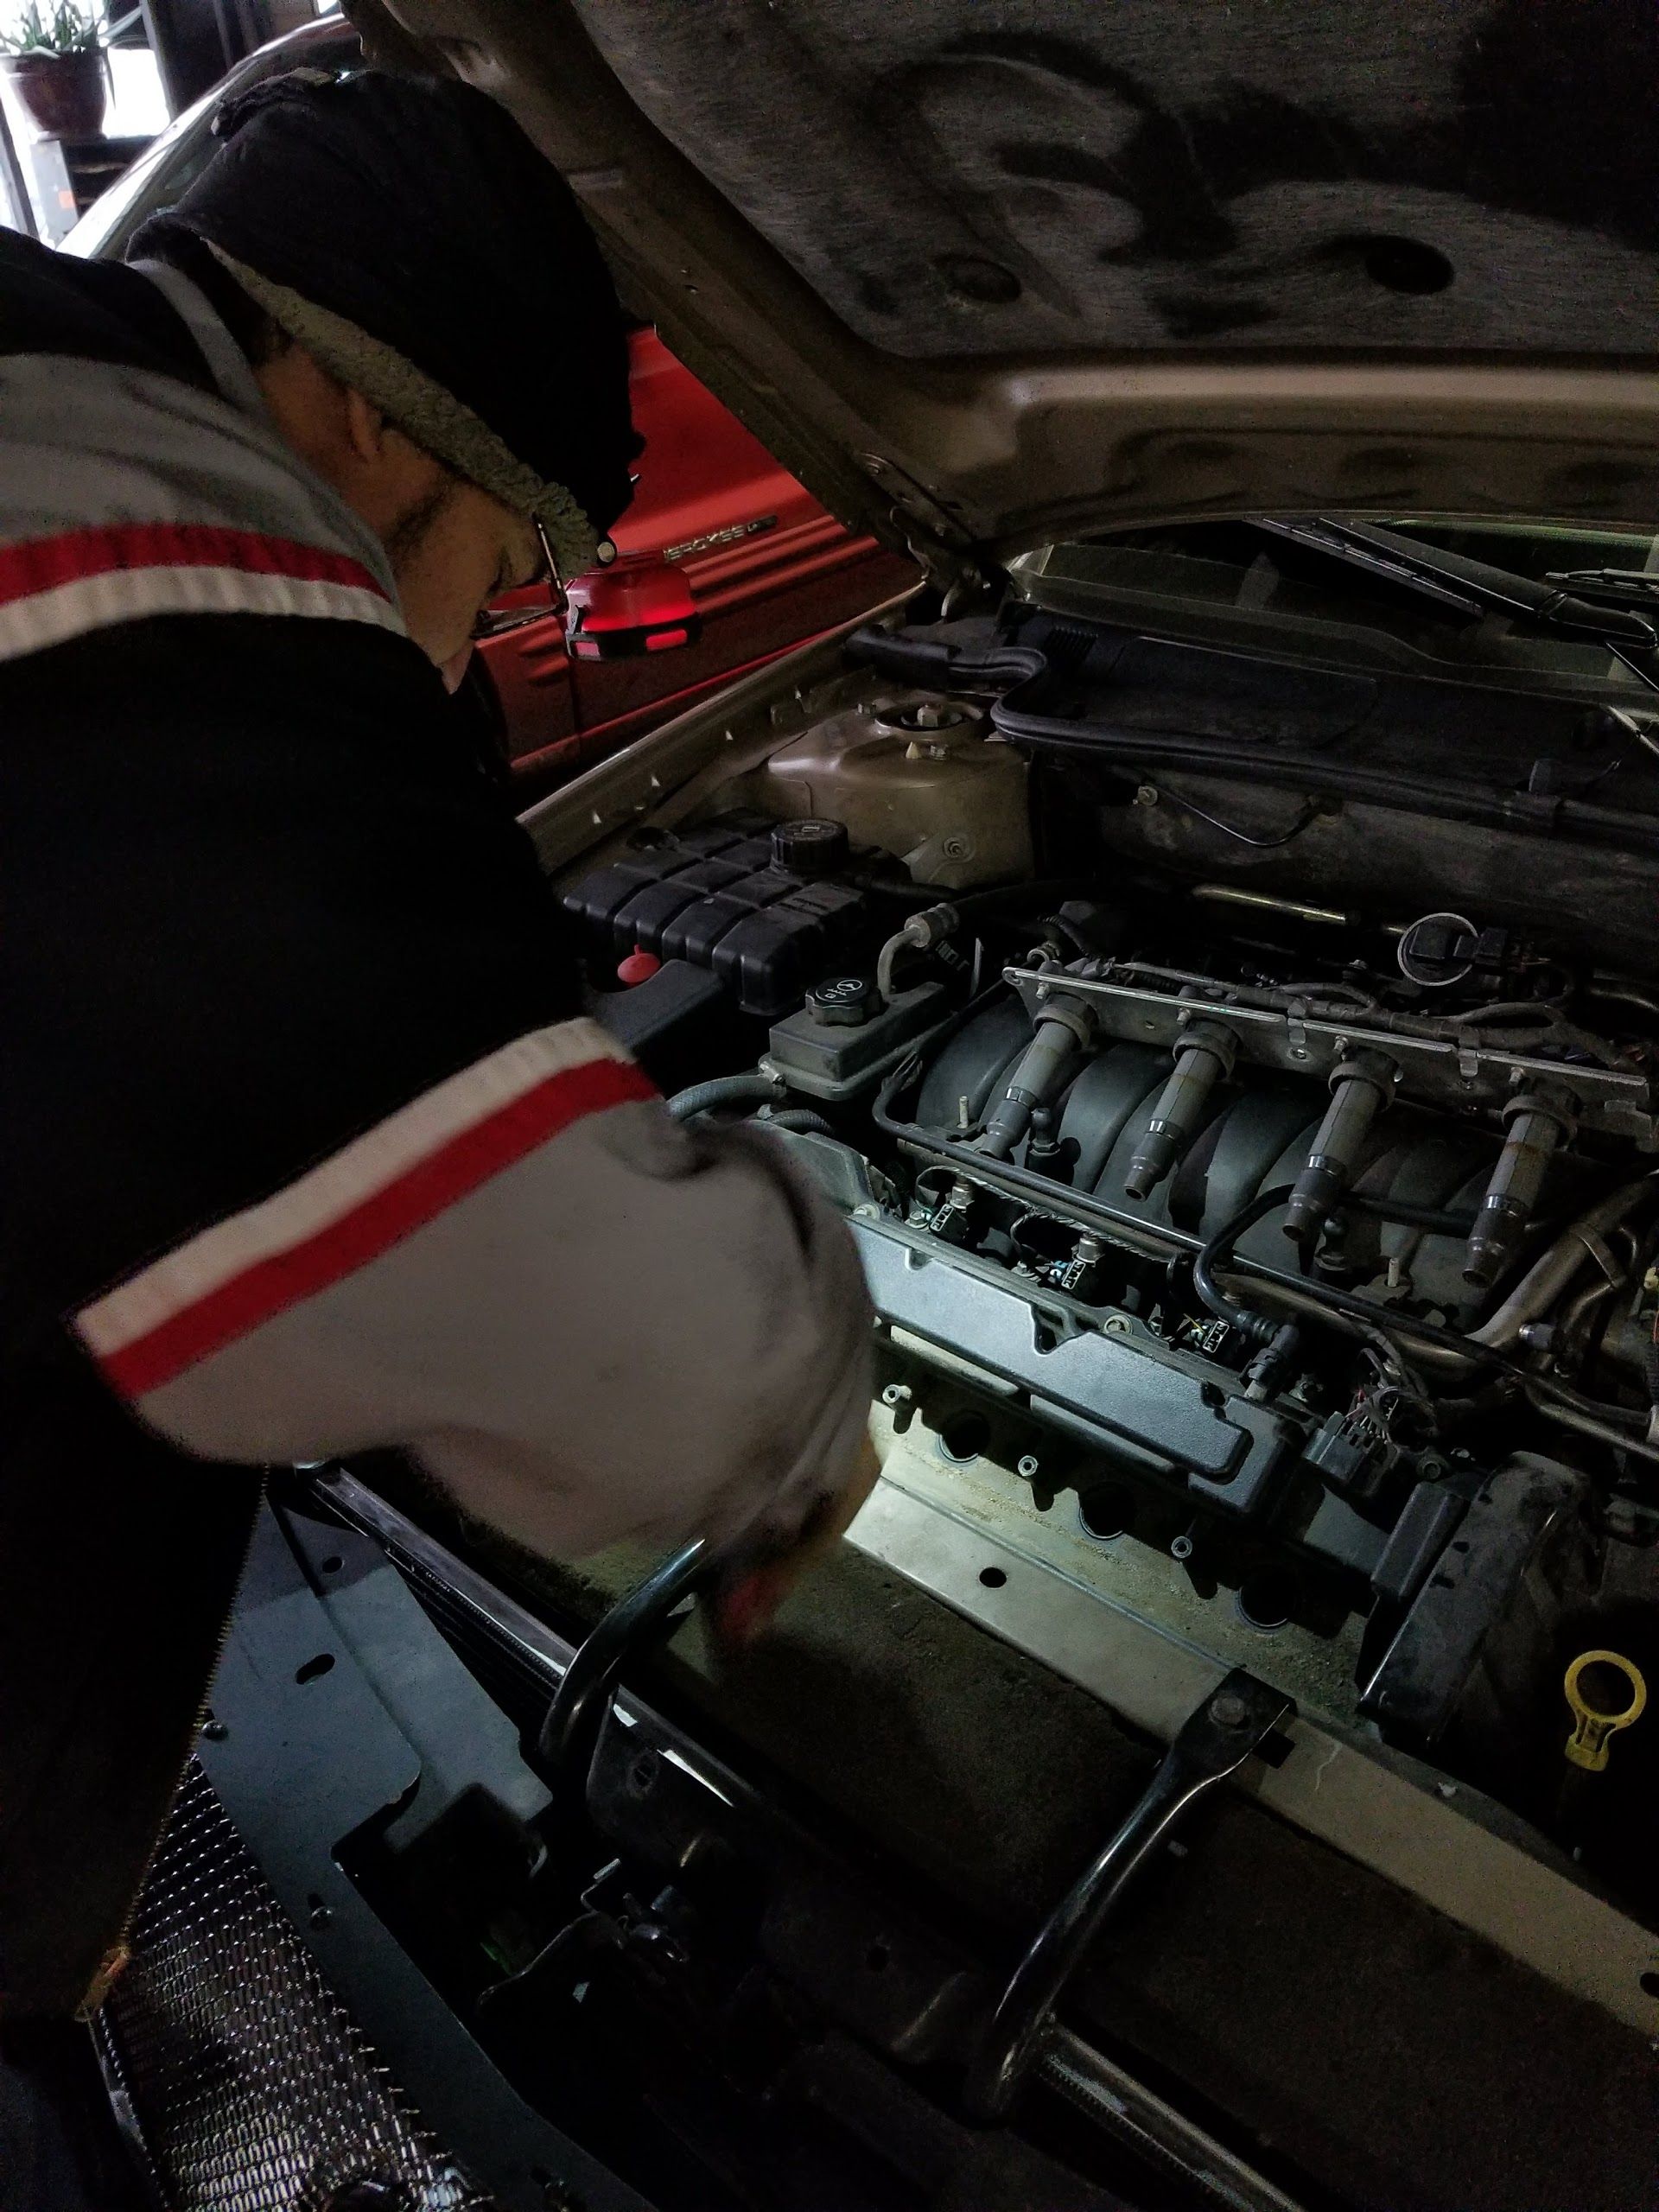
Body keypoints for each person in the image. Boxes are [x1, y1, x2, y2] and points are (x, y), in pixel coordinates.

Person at [0, 67, 876, 2026]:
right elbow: (641, 1370)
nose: (471, 648)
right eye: (497, 558)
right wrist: (814, 1369)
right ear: (374, 417)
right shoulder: (154, 594)